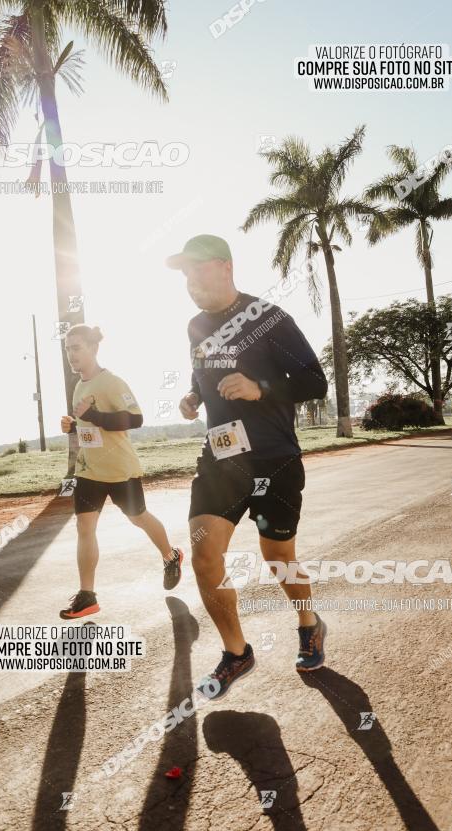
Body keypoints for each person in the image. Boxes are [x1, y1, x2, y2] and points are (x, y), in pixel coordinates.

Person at [167, 234, 329, 699]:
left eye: (196, 269)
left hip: (273, 457)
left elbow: (313, 381)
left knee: (278, 558)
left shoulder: (269, 318)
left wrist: (260, 388)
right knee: (203, 554)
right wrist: (194, 395)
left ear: (225, 266)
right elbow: (202, 371)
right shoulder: (195, 326)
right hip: (221, 458)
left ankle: (308, 622)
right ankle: (237, 652)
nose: (189, 280)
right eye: (184, 274)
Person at [59, 324, 182, 618]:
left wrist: (93, 416)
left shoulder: (112, 382)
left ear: (93, 348)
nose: (71, 355)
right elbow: (89, 426)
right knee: (84, 528)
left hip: (119, 471)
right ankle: (87, 595)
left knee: (138, 517)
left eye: (76, 348)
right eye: (67, 349)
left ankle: (171, 555)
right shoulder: (79, 386)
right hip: (88, 471)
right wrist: (74, 425)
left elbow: (135, 419)